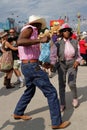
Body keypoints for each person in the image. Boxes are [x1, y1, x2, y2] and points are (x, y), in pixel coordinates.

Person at [13, 15, 70, 129]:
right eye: (39, 26)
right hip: (31, 66)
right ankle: (56, 122)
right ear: (36, 24)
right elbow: (20, 41)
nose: (40, 29)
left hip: (27, 65)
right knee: (51, 92)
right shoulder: (30, 28)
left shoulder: (30, 31)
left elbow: (30, 53)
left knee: (30, 90)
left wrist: (41, 63)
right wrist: (40, 39)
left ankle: (18, 112)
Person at [55, 23, 82, 112]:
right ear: (62, 32)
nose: (66, 32)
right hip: (62, 64)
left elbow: (78, 55)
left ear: (70, 32)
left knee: (71, 83)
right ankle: (62, 103)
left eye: (68, 30)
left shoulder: (75, 41)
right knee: (61, 84)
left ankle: (75, 98)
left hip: (72, 63)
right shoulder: (58, 43)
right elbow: (53, 55)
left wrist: (77, 61)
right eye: (64, 31)